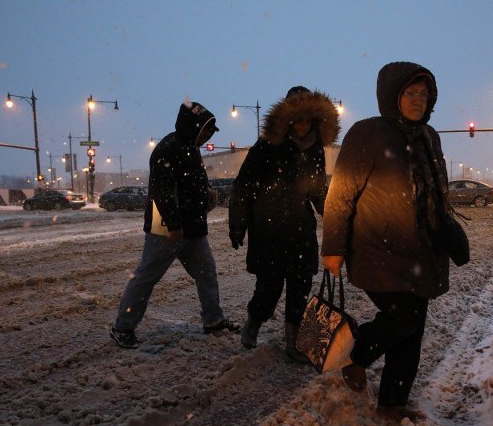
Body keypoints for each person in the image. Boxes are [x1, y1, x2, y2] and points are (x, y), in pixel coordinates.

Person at [321, 62, 452, 418]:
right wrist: (332, 247)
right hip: (376, 251)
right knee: (404, 319)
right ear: (393, 96)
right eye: (410, 93)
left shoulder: (429, 136)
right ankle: (357, 356)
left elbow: (436, 193)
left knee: (412, 328)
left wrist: (449, 230)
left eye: (423, 94)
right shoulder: (368, 134)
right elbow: (341, 195)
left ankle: (392, 402)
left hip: (421, 253)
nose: (417, 101)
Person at [111, 100, 240, 349]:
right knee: (146, 277)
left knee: (206, 273)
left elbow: (191, 185)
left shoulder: (190, 148)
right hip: (166, 229)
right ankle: (122, 327)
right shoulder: (167, 149)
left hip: (192, 227)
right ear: (194, 126)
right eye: (207, 131)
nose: (208, 136)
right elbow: (163, 191)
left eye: (211, 133)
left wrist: (206, 194)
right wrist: (173, 224)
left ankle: (213, 320)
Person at [229, 86, 340, 360]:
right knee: (269, 287)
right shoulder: (267, 145)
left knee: (300, 287)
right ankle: (253, 325)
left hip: (300, 230)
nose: (302, 125)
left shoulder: (315, 149)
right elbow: (243, 186)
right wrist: (237, 224)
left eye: (307, 119)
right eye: (297, 119)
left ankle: (294, 343)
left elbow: (316, 190)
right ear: (288, 118)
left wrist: (335, 217)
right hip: (269, 230)